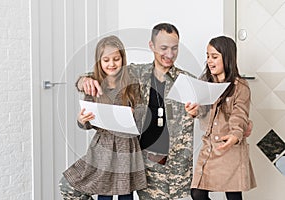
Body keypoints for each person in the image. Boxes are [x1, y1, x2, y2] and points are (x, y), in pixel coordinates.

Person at [76, 23, 196, 199]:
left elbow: (211, 109)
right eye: (163, 48)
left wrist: (199, 111)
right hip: (145, 164)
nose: (169, 55)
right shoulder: (135, 73)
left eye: (174, 48)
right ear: (151, 46)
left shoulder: (187, 81)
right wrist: (83, 81)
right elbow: (102, 73)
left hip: (176, 165)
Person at [59, 35, 147, 200]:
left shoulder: (132, 83)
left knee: (124, 191)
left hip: (126, 146)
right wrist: (82, 120)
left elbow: (141, 115)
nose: (112, 64)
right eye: (106, 60)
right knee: (103, 188)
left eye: (116, 59)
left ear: (122, 59)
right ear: (99, 62)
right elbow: (87, 123)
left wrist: (135, 113)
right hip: (102, 147)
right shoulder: (94, 85)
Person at [185, 36, 256, 200]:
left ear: (228, 57)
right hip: (209, 147)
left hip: (230, 147)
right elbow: (201, 111)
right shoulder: (204, 82)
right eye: (208, 56)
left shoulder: (241, 87)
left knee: (233, 195)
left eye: (214, 57)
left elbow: (240, 115)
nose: (209, 61)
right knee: (197, 193)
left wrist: (235, 135)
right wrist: (193, 111)